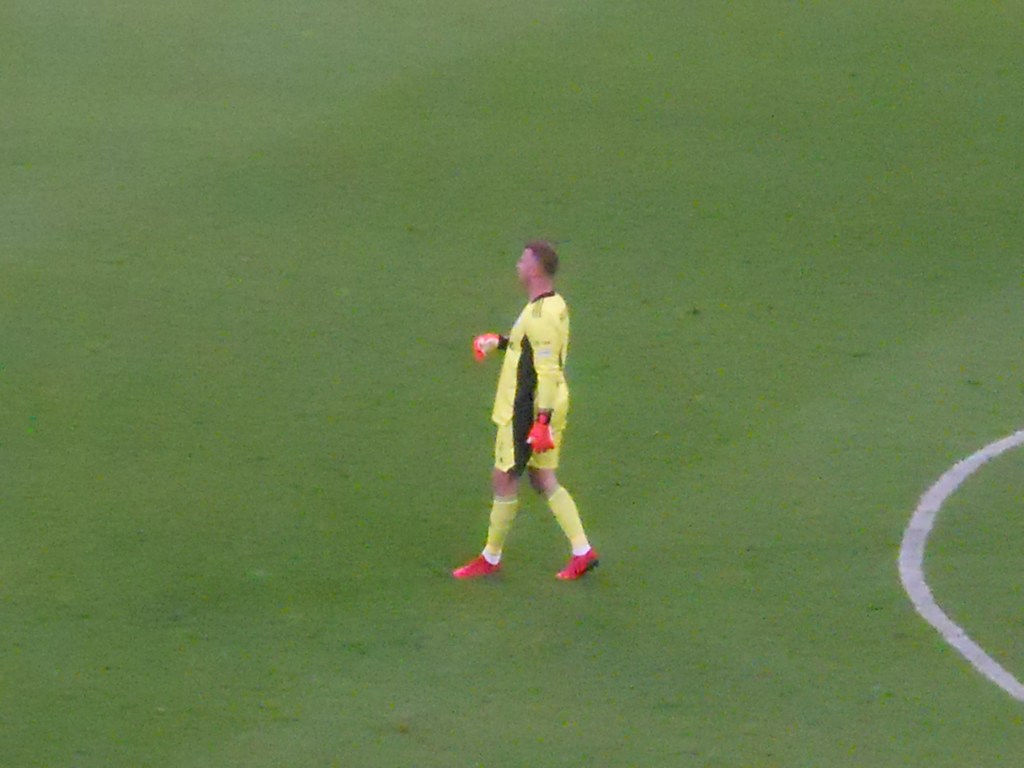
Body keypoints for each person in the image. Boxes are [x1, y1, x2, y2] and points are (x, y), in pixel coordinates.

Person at [452, 241, 599, 580]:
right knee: (542, 477)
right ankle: (582, 550)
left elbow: (545, 370)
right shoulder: (554, 305)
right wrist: (500, 342)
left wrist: (541, 422)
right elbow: (532, 349)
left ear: (535, 269)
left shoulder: (539, 317)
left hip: (528, 408)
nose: (518, 265)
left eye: (523, 260)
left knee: (504, 477)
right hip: (552, 400)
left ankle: (490, 557)